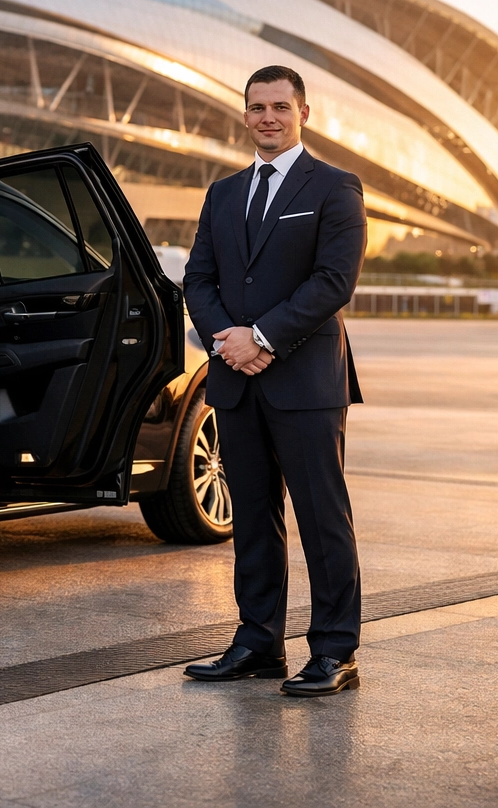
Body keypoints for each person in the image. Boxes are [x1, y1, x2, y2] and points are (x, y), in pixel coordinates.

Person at [181, 65, 366, 697]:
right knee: (253, 521)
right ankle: (258, 643)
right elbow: (198, 281)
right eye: (257, 107)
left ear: (303, 113)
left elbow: (333, 282)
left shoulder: (337, 187)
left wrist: (258, 337)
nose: (268, 117)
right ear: (244, 115)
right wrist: (228, 340)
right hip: (237, 381)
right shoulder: (223, 193)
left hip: (306, 383)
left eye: (280, 107)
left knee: (322, 518)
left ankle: (336, 652)